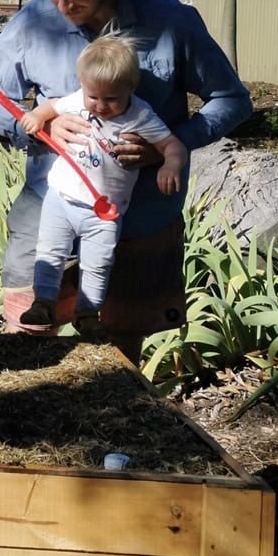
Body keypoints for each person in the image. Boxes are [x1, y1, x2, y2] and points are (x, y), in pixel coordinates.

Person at [0, 0, 252, 362]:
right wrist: (39, 126)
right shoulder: (32, 23)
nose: (61, 6)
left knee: (121, 352)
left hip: (141, 215)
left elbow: (231, 100)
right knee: (28, 336)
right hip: (47, 209)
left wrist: (166, 146)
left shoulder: (172, 23)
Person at [17, 37, 188, 336]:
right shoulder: (79, 100)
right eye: (93, 96)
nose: (100, 105)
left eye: (111, 99)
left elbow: (172, 144)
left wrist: (170, 164)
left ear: (131, 89)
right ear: (83, 85)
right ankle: (43, 302)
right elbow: (51, 106)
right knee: (50, 252)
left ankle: (88, 312)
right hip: (62, 198)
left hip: (105, 212)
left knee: (99, 262)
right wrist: (37, 117)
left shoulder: (140, 115)